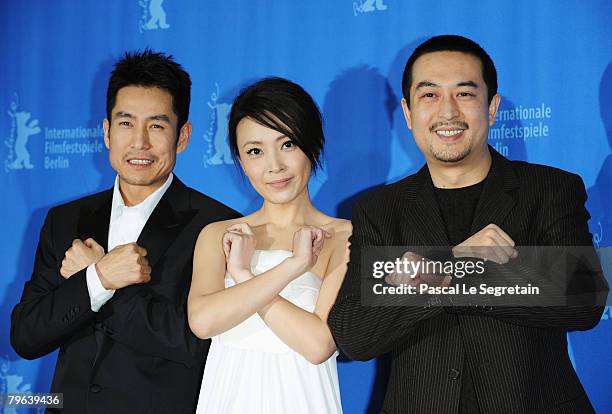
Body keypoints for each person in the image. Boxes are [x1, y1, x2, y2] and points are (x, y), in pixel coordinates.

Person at [328, 35, 608, 413]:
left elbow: (583, 300)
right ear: (408, 113)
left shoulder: (548, 189)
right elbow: (354, 334)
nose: (447, 112)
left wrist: (436, 274)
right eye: (429, 95)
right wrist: (458, 259)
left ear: (491, 108)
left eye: (464, 93)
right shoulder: (379, 210)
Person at [10, 50, 239, 414]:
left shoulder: (219, 226)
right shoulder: (64, 220)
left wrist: (102, 287)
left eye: (157, 126)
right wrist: (98, 278)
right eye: (126, 123)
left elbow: (198, 345)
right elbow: (26, 336)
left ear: (183, 136)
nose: (140, 143)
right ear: (106, 131)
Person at [188, 77, 350, 414]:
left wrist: (243, 275)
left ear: (313, 145)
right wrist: (292, 266)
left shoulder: (345, 236)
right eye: (255, 151)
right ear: (242, 162)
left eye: (287, 144)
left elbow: (318, 344)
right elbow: (203, 321)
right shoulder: (219, 235)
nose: (274, 166)